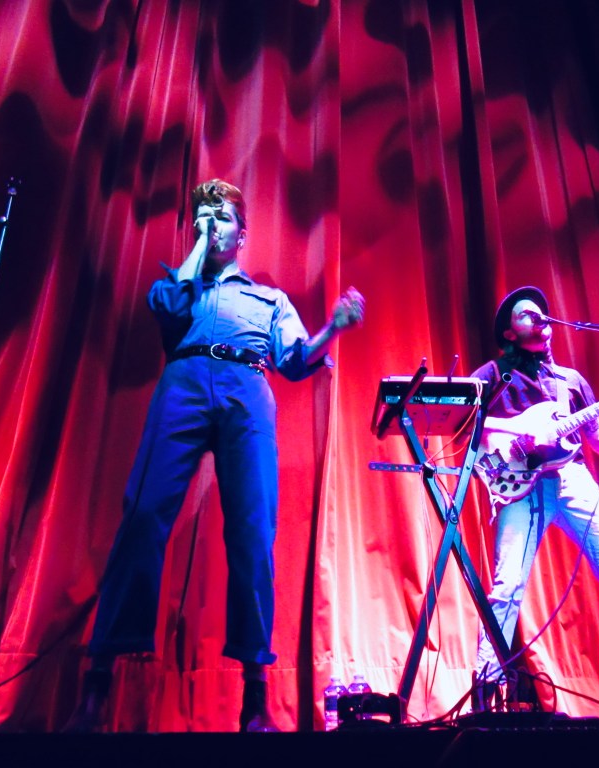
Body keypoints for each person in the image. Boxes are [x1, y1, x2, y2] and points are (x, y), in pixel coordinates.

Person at [67, 179, 365, 732]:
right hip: (183, 381)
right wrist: (197, 248)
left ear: (243, 233)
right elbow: (172, 308)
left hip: (246, 390)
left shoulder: (268, 298)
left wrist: (333, 328)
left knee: (253, 535)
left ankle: (255, 700)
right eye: (203, 218)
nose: (212, 225)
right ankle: (96, 689)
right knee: (141, 518)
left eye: (221, 218)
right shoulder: (177, 284)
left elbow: (296, 362)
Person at [470, 285, 599, 713]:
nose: (540, 319)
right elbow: (464, 421)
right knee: (506, 590)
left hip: (573, 480)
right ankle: (482, 696)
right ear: (509, 333)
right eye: (527, 315)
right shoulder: (492, 374)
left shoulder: (571, 381)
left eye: (542, 313)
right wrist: (518, 432)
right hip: (521, 486)